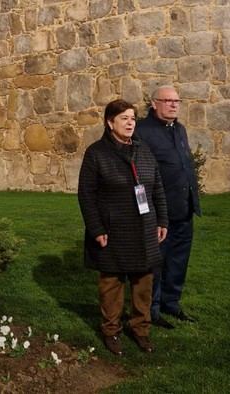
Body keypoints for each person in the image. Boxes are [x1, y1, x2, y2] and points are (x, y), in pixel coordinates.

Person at [78, 99, 168, 355]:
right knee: (112, 284)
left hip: (144, 228)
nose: (130, 123)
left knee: (143, 282)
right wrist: (96, 229)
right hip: (112, 229)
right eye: (124, 119)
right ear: (110, 122)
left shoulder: (144, 149)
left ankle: (140, 330)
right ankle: (111, 331)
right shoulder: (96, 153)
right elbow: (86, 194)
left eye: (132, 118)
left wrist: (162, 220)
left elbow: (157, 187)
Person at [135, 86, 201, 329]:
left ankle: (171, 302)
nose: (174, 105)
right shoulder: (142, 131)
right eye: (167, 101)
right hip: (158, 213)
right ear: (154, 103)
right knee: (156, 262)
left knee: (178, 260)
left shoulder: (179, 129)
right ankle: (151, 308)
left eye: (177, 101)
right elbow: (138, 175)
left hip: (184, 209)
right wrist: (146, 212)